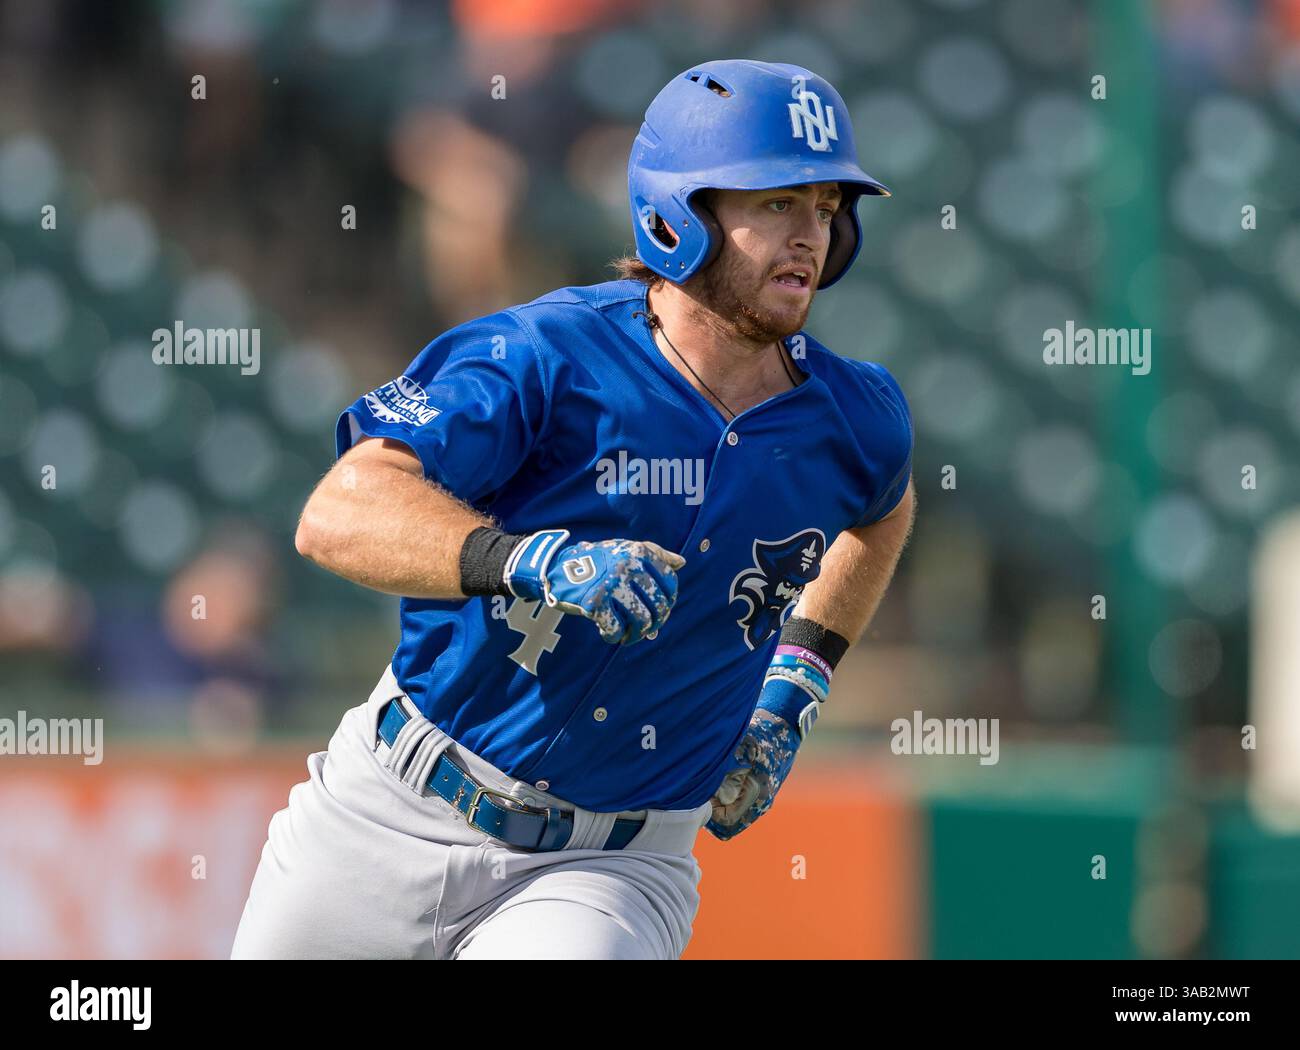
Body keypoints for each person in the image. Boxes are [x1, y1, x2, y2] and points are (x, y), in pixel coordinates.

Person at [230, 58, 916, 961]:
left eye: (827, 208)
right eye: (776, 203)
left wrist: (799, 681)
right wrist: (525, 559)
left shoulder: (854, 417)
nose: (810, 236)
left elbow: (884, 513)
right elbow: (341, 509)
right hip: (390, 809)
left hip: (611, 869)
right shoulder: (544, 353)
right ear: (681, 215)